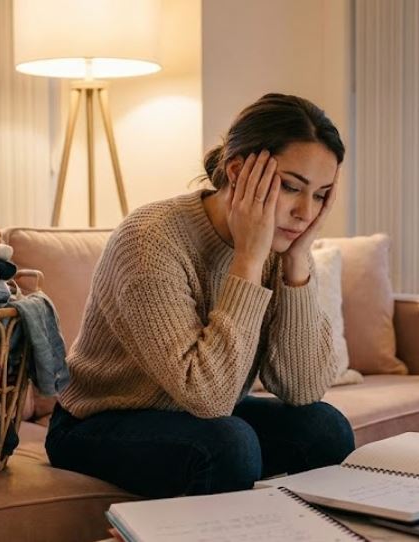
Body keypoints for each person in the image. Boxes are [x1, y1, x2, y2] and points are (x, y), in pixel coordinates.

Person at [45, 93, 355, 497]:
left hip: (196, 411)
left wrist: (298, 262)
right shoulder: (150, 239)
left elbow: (303, 389)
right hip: (96, 420)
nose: (305, 213)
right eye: (292, 187)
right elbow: (206, 396)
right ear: (239, 171)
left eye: (319, 195)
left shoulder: (283, 246)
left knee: (324, 428)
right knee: (228, 444)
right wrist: (248, 258)